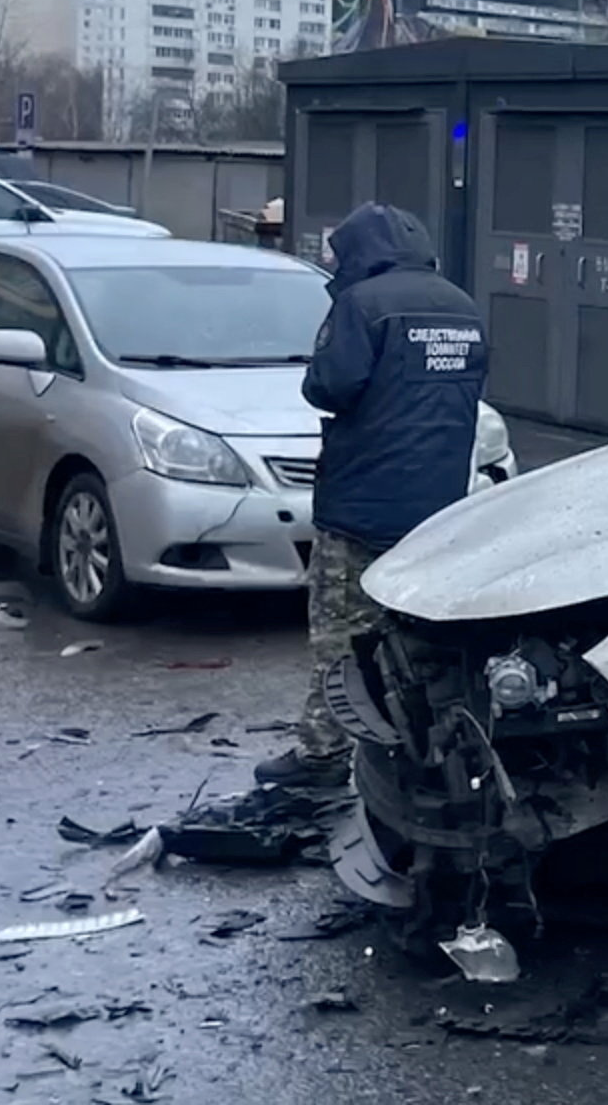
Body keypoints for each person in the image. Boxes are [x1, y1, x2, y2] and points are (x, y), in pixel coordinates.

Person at [256, 202, 488, 788]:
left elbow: (328, 386)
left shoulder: (362, 305)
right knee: (419, 637)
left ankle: (322, 755)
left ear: (361, 253)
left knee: (340, 637)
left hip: (362, 504)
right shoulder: (463, 306)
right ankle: (419, 748)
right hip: (435, 506)